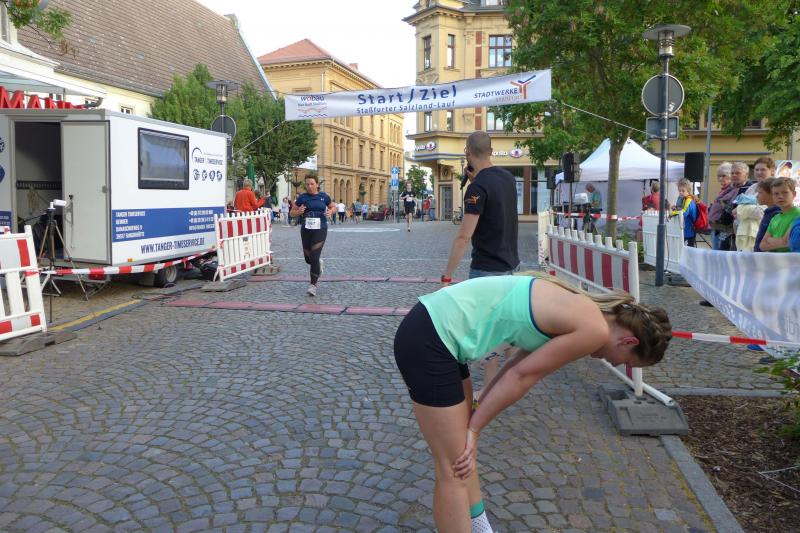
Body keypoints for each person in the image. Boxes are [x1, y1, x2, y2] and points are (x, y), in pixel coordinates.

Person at [394, 273, 671, 533]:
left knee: (464, 459)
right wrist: (474, 430)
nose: (614, 363)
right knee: (454, 467)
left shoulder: (583, 309)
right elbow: (521, 377)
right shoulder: (594, 330)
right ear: (628, 341)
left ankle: (481, 528)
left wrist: (480, 407)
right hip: (432, 337)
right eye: (625, 362)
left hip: (438, 330)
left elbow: (516, 365)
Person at [441, 131, 520, 402]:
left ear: (467, 152)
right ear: (491, 151)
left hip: (486, 270)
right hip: (511, 267)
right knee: (507, 329)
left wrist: (447, 276)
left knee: (487, 333)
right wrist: (476, 182)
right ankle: (508, 383)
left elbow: (464, 236)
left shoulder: (476, 189)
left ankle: (487, 391)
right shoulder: (508, 179)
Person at [289, 175, 336, 296]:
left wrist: (331, 211)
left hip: (320, 229)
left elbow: (333, 207)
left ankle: (313, 285)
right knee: (308, 259)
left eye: (312, 184)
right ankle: (318, 264)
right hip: (306, 230)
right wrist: (298, 212)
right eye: (307, 184)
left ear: (317, 184)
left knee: (314, 257)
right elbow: (292, 213)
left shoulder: (324, 196)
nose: (309, 186)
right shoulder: (302, 198)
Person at [759, 177, 800, 252]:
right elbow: (762, 245)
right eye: (776, 194)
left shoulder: (798, 214)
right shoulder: (775, 218)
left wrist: (770, 240)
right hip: (775, 259)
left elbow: (786, 242)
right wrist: (781, 242)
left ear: (794, 194)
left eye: (785, 192)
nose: (780, 196)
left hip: (793, 258)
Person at [754, 179, 780, 252]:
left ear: (772, 194)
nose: (757, 196)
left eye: (760, 193)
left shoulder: (776, 214)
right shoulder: (768, 212)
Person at [671, 178, 698, 247]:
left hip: (689, 229)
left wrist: (672, 214)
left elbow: (685, 212)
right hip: (686, 228)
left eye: (683, 191)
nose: (680, 192)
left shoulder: (689, 200)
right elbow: (682, 209)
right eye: (679, 190)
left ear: (688, 191)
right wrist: (676, 208)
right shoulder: (684, 199)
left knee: (688, 248)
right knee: (685, 247)